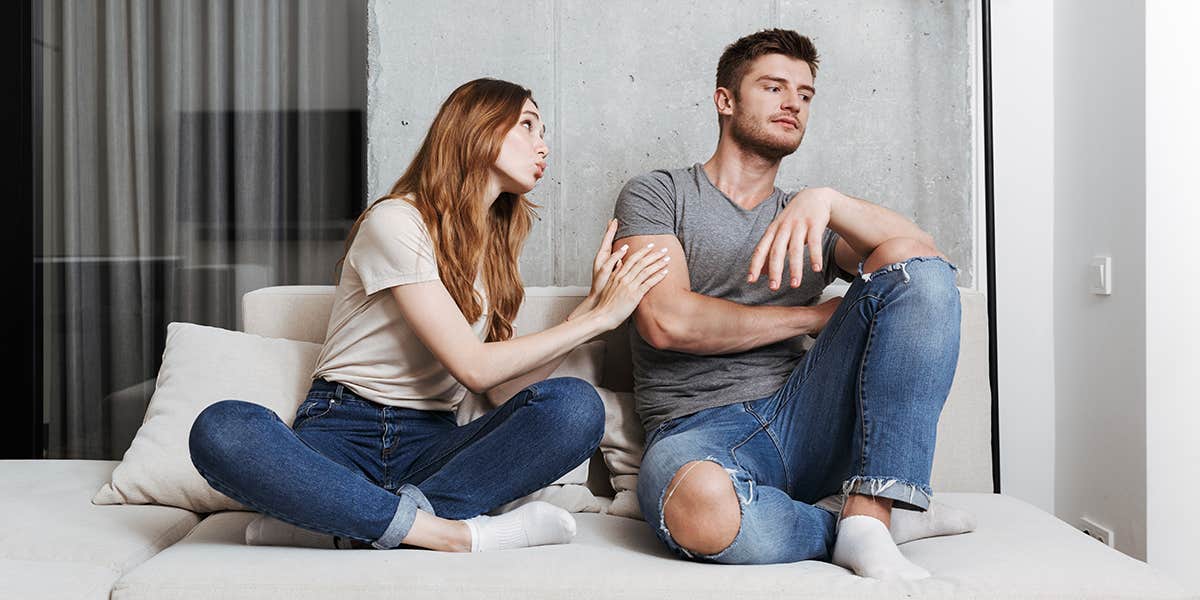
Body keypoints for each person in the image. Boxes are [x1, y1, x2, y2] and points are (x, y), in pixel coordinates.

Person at [188, 78, 670, 553]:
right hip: (340, 433)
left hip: (433, 445)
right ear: (477, 129)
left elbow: (497, 389)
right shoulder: (396, 221)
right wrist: (598, 320)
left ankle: (342, 525)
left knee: (576, 408)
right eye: (527, 125)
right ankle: (449, 533)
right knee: (222, 427)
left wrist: (587, 310)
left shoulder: (494, 253)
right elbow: (473, 365)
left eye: (543, 133)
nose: (542, 146)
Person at [614, 29, 974, 579]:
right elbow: (668, 321)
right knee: (700, 508)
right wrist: (810, 317)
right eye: (774, 87)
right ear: (725, 100)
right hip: (698, 431)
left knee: (919, 272)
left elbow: (921, 263)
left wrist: (827, 201)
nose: (792, 103)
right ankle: (867, 522)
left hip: (806, 416)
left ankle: (871, 510)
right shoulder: (659, 193)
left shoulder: (810, 219)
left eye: (805, 94)